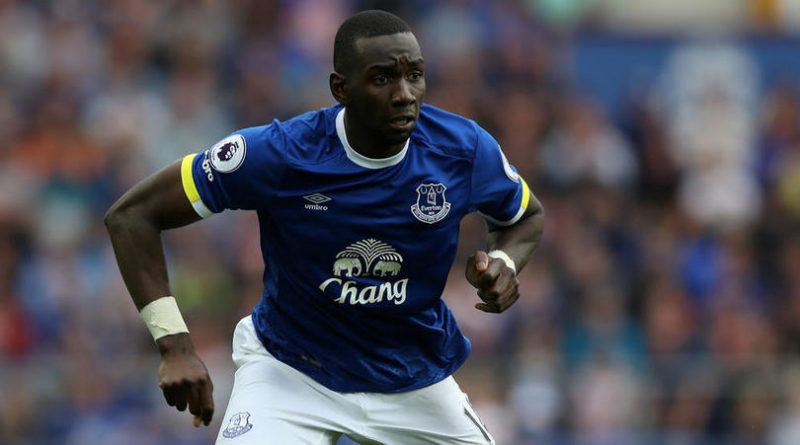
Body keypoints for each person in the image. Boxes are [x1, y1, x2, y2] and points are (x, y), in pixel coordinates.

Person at [105, 9, 544, 444]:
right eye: (382, 78)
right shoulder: (281, 154)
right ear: (341, 88)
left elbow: (525, 217)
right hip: (290, 371)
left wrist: (505, 261)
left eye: (415, 75)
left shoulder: (462, 149)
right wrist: (175, 345)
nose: (404, 94)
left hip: (411, 378)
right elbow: (132, 215)